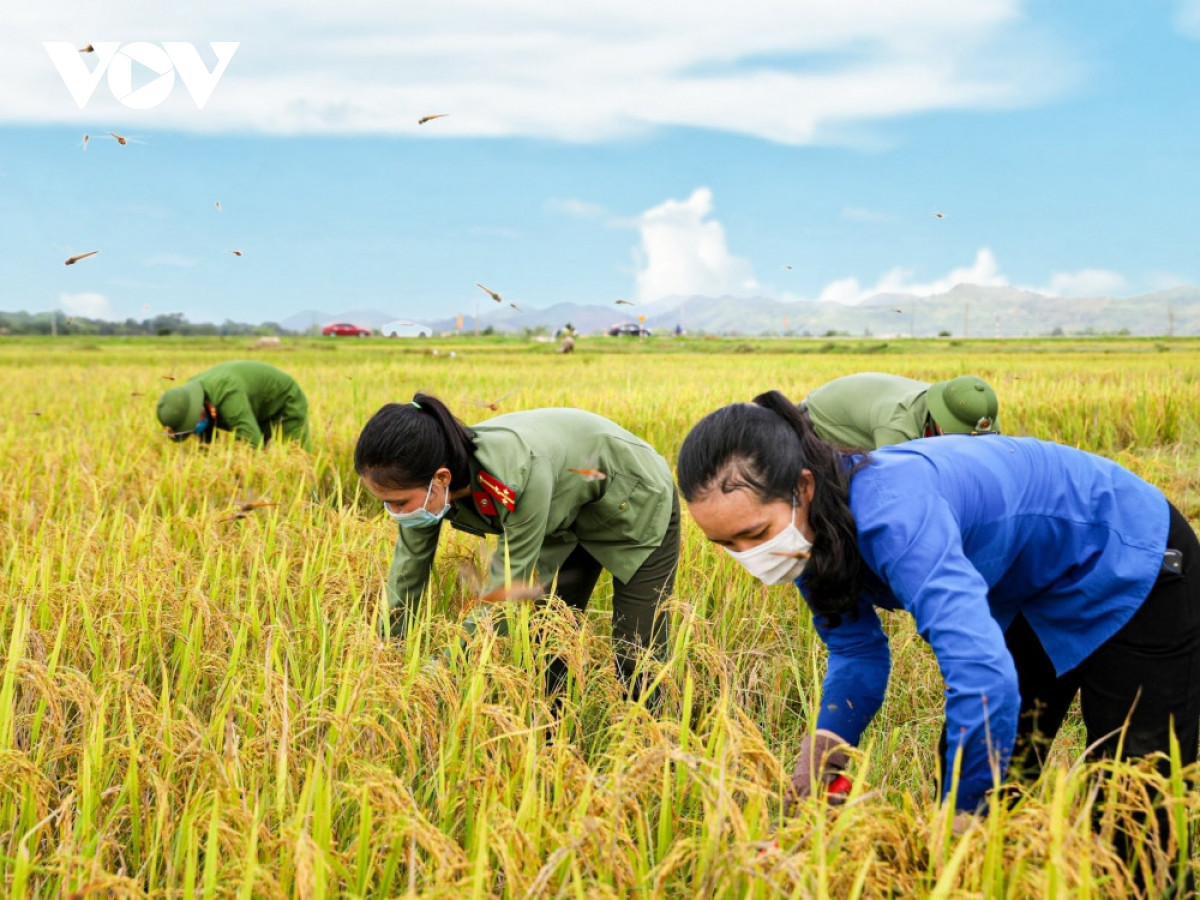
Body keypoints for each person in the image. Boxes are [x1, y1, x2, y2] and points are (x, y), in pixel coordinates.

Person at [677, 390, 1199, 849]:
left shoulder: (896, 518)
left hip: (1127, 550)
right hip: (1030, 584)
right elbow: (856, 653)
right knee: (982, 759)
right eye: (726, 544)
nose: (749, 555)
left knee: (1137, 788)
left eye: (755, 533)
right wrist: (826, 749)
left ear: (803, 488)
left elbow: (982, 675)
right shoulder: (806, 537)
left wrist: (961, 816)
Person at [354, 393, 679, 698]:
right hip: (565, 512)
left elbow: (504, 595)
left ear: (441, 479)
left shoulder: (516, 475)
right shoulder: (422, 488)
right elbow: (407, 573)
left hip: (633, 496)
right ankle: (554, 731)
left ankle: (649, 730)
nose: (393, 512)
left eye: (399, 502)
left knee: (636, 651)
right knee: (549, 637)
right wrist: (387, 654)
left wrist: (442, 670)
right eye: (386, 502)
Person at [802, 372, 999, 449]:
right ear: (941, 420)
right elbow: (892, 481)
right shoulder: (899, 426)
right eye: (959, 433)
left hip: (871, 408)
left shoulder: (975, 413)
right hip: (817, 420)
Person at [156, 360, 311, 450]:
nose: (196, 429)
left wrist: (234, 471)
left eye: (193, 423)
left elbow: (251, 441)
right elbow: (207, 445)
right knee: (266, 452)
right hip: (256, 406)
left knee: (294, 453)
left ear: (197, 409)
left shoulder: (227, 394)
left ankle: (312, 495)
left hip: (284, 399)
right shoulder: (195, 398)